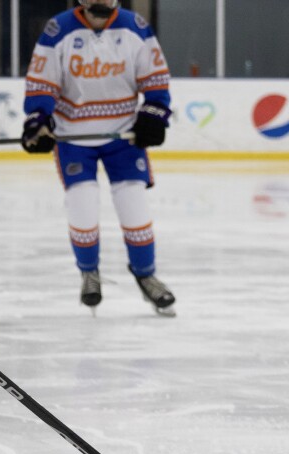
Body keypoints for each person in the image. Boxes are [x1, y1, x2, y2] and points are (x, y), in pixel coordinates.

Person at [21, 0, 176, 316]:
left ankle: (146, 275)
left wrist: (155, 112)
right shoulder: (58, 30)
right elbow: (41, 84)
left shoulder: (136, 27)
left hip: (124, 135)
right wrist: (38, 118)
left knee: (134, 207)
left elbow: (156, 79)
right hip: (73, 137)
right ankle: (89, 272)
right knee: (83, 204)